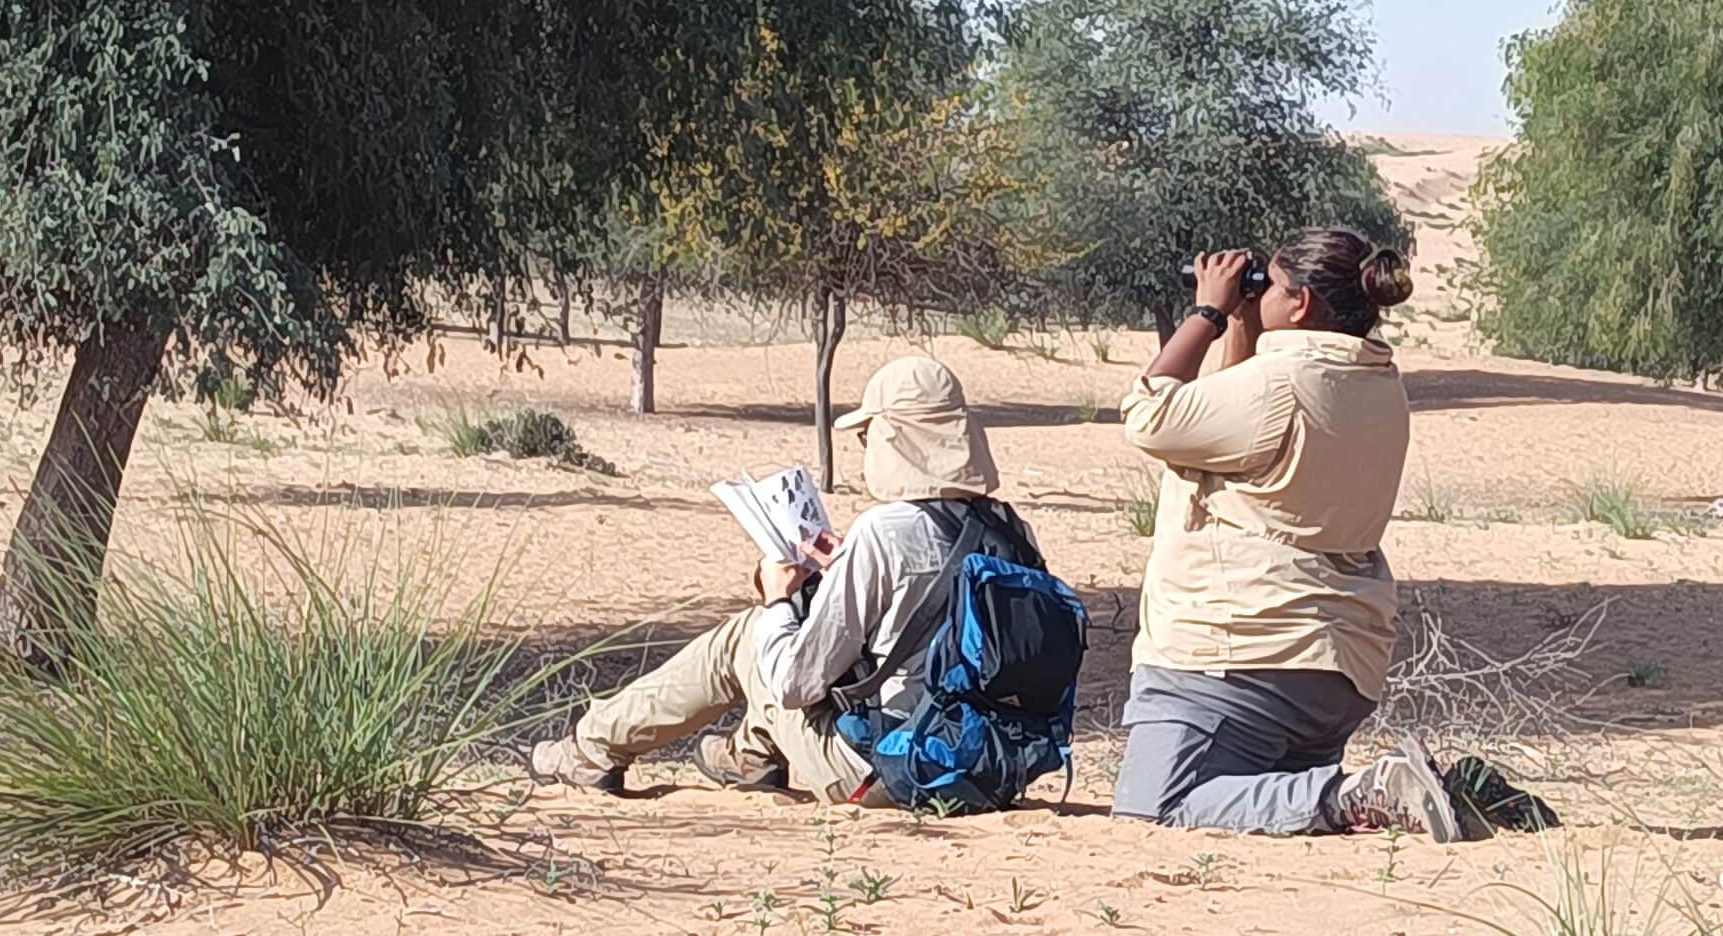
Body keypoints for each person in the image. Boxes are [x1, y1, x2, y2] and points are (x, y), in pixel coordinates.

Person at [1111, 226, 1549, 840]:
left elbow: (1148, 414)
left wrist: (1208, 310)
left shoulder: (1280, 388)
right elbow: (1225, 422)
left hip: (1235, 657)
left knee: (1157, 808)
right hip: (1330, 671)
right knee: (1273, 806)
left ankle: (1357, 794)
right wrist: (1243, 327)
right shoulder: (1374, 385)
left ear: (1300, 303)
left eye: (1272, 286)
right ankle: (1449, 792)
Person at [528, 355, 1030, 805]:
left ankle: (592, 746)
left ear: (893, 439)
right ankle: (748, 755)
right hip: (985, 768)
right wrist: (843, 571)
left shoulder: (886, 530)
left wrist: (778, 598)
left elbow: (795, 683)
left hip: (888, 770)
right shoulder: (1010, 530)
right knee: (790, 639)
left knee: (748, 637)